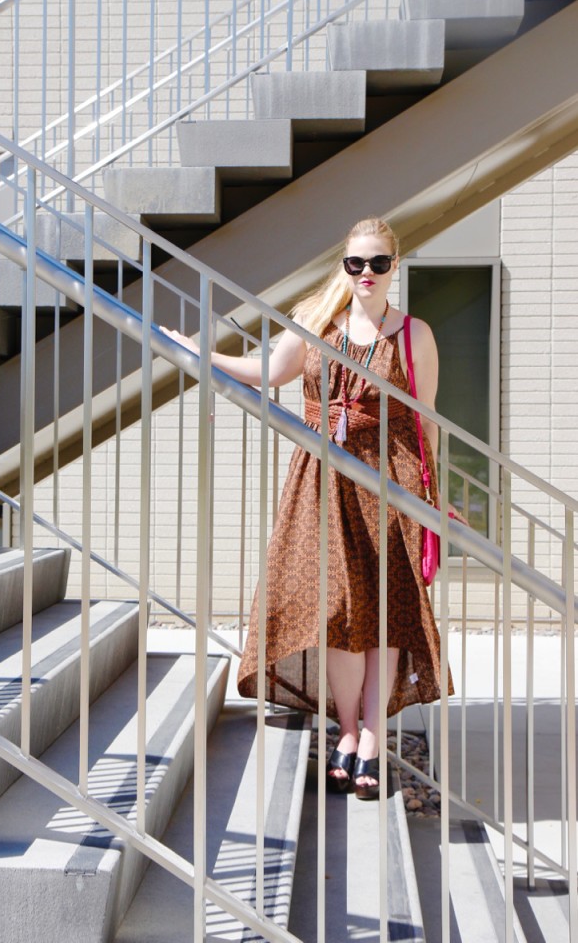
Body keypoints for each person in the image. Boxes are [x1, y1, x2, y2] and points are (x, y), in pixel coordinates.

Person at [162, 216, 457, 799]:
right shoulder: (318, 323)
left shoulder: (413, 334)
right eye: (355, 264)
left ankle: (370, 740)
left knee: (387, 616)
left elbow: (426, 424)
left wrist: (432, 498)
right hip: (321, 481)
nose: (365, 274)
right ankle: (347, 731)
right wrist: (202, 353)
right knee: (339, 615)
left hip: (390, 482)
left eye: (377, 263)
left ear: (394, 266)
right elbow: (269, 373)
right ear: (343, 267)